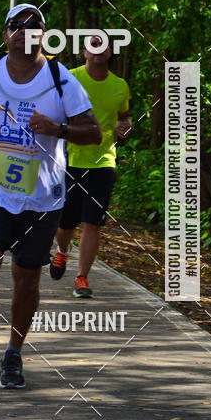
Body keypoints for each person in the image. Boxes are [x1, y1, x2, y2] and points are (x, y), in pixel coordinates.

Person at [0, 4, 101, 395]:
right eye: (16, 26)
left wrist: (58, 128)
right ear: (5, 34)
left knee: (26, 276)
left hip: (40, 196)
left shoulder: (60, 79)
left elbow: (93, 131)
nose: (24, 31)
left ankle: (13, 353)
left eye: (34, 27)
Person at [50, 33, 131, 297]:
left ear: (111, 52)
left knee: (92, 222)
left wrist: (124, 128)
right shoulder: (69, 77)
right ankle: (62, 251)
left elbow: (123, 119)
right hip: (69, 159)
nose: (99, 49)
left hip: (104, 161)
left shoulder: (120, 86)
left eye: (104, 45)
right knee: (65, 223)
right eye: (93, 45)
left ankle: (82, 278)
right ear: (84, 52)